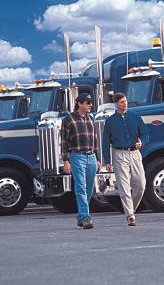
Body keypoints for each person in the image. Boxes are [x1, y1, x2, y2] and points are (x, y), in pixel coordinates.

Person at [102, 92, 148, 226]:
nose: (125, 104)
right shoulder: (110, 121)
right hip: (119, 154)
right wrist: (107, 161)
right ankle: (130, 216)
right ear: (116, 104)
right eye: (122, 102)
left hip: (135, 153)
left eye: (126, 101)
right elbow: (105, 143)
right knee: (124, 187)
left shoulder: (135, 117)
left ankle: (131, 209)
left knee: (141, 185)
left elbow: (145, 133)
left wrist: (142, 142)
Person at [61, 93, 101, 229]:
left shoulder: (91, 119)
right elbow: (64, 142)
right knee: (81, 187)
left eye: (91, 103)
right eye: (88, 103)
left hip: (91, 157)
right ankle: (85, 218)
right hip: (77, 156)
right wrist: (66, 160)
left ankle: (81, 215)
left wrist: (98, 158)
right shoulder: (68, 120)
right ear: (80, 104)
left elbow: (95, 140)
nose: (91, 105)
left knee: (90, 188)